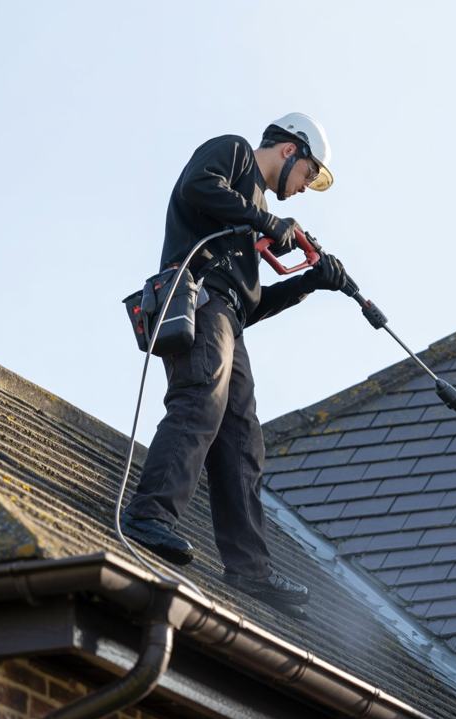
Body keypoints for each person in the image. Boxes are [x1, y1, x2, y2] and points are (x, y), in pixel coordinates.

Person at [121, 113, 347, 607]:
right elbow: (197, 185)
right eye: (308, 173)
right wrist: (266, 222)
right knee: (202, 397)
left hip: (227, 317)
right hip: (197, 299)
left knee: (243, 437)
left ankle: (250, 570)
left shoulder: (255, 212)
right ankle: (147, 513)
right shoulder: (235, 152)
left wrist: (310, 282)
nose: (304, 188)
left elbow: (249, 305)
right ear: (289, 150)